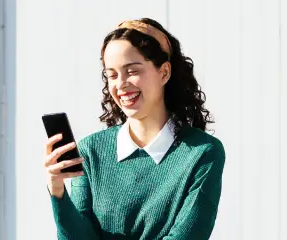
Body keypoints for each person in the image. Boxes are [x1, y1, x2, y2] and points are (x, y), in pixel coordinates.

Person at [43, 17, 226, 240]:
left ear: (164, 73)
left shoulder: (202, 153)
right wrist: (57, 190)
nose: (120, 84)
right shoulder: (91, 151)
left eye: (132, 71)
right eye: (111, 75)